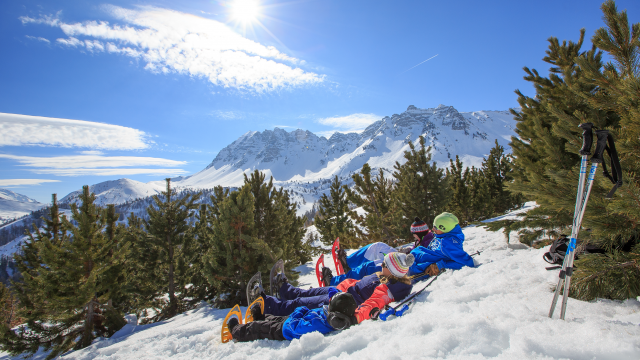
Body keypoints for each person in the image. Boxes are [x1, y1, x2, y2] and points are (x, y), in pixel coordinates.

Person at [262, 252, 415, 322]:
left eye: (385, 264)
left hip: (340, 302)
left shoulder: (387, 289)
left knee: (300, 304)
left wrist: (356, 318)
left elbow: (371, 305)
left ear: (393, 271)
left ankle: (267, 305)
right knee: (308, 293)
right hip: (339, 291)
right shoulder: (385, 277)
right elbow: (358, 285)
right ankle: (285, 290)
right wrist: (340, 285)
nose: (381, 264)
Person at [321, 217, 434, 286]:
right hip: (401, 258)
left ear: (419, 233)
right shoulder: (423, 239)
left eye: (414, 233)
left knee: (370, 266)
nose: (413, 235)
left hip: (402, 267)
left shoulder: (428, 243)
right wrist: (408, 250)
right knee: (377, 246)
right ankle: (348, 263)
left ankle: (334, 282)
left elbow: (420, 260)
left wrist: (407, 254)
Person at [225, 292, 358, 342]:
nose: (326, 308)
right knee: (272, 318)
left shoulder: (318, 325)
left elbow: (296, 328)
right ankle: (261, 317)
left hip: (284, 330)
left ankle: (236, 331)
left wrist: (300, 310)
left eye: (329, 308)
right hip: (290, 321)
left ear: (335, 316)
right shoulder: (328, 318)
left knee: (257, 329)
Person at [409, 212, 474, 277]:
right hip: (425, 256)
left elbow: (468, 262)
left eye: (435, 227)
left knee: (415, 268)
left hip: (426, 265)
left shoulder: (449, 244)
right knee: (418, 250)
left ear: (443, 228)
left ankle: (403, 273)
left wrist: (440, 265)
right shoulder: (441, 235)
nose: (433, 229)